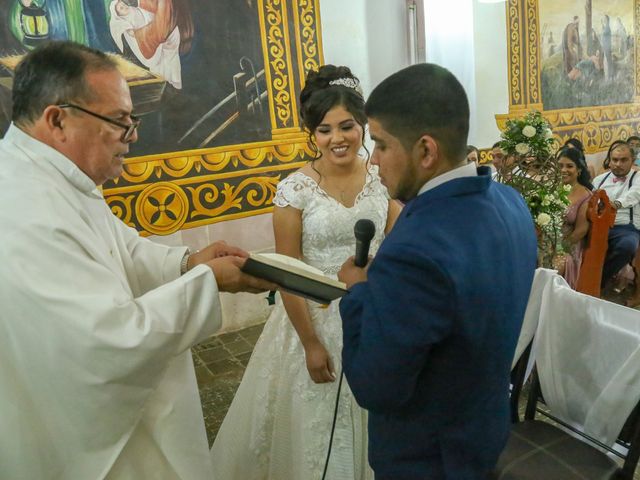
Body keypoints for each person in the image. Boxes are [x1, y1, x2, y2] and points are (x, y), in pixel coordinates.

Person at [0, 41, 274, 479]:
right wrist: (207, 281)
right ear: (58, 120)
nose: (133, 136)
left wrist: (188, 263)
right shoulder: (22, 207)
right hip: (82, 437)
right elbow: (106, 341)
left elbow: (120, 248)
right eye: (120, 122)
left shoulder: (55, 175)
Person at [337, 63, 538, 479]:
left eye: (381, 144)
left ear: (426, 151)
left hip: (426, 457)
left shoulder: (415, 250)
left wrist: (359, 293)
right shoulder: (510, 202)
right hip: (483, 429)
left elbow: (376, 386)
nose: (373, 161)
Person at [210, 65, 401, 480]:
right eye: (324, 130)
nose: (338, 139)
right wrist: (312, 342)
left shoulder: (383, 180)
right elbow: (287, 274)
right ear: (312, 134)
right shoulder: (294, 190)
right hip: (310, 321)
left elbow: (401, 244)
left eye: (347, 126)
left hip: (374, 318)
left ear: (362, 125)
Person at [593, 142, 640, 294]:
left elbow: (633, 195)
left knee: (627, 246)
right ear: (609, 160)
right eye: (615, 160)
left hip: (626, 227)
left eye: (623, 160)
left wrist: (616, 204)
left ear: (632, 161)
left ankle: (598, 281)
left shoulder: (638, 178)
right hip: (600, 225)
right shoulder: (599, 180)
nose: (618, 164)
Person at [556, 147, 593, 289]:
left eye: (569, 166)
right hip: (547, 241)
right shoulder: (551, 189)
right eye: (560, 166)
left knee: (551, 269)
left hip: (569, 247)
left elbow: (580, 231)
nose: (563, 170)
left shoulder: (585, 195)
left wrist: (558, 247)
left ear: (579, 170)